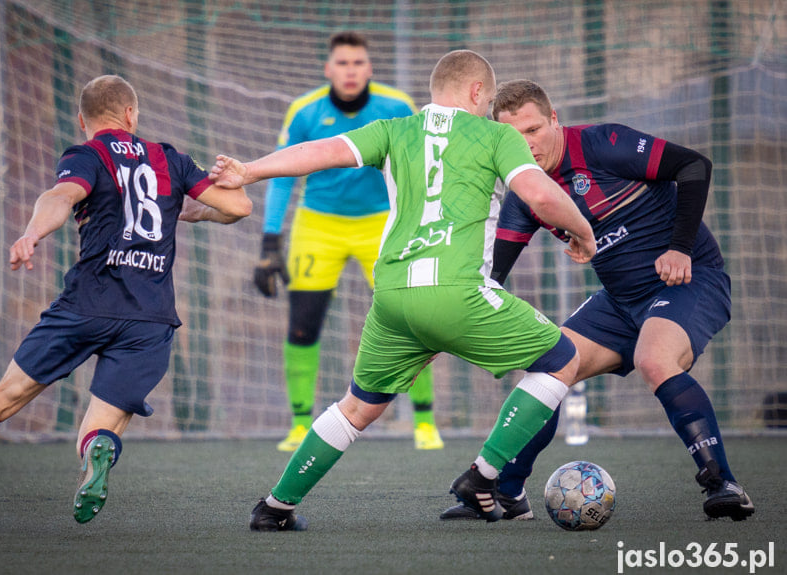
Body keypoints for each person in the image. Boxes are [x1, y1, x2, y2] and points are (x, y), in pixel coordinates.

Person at [211, 50, 597, 531]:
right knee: (562, 359)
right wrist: (584, 231)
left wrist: (247, 170)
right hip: (460, 293)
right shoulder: (496, 134)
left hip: (391, 298)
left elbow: (317, 152)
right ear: (478, 92)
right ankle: (483, 476)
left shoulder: (396, 129)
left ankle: (275, 507)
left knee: (356, 407)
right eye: (487, 97)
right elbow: (539, 194)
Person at [0, 75, 252, 523]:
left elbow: (62, 195)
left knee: (5, 396)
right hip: (149, 320)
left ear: (83, 120)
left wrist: (31, 233)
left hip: (85, 305)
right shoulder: (169, 158)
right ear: (132, 115)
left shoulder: (87, 154)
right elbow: (237, 208)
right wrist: (225, 188)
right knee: (101, 426)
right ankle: (98, 450)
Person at [440, 79, 754, 522]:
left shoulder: (603, 144)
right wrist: (444, 316)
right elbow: (491, 273)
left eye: (533, 130)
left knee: (654, 359)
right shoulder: (525, 193)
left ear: (554, 120)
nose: (526, 145)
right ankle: (507, 494)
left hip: (689, 280)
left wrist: (680, 247)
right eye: (513, 137)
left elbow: (695, 166)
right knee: (549, 368)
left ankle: (723, 483)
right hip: (620, 302)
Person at [256, 31, 444, 452]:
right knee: (303, 323)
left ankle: (425, 422)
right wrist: (270, 240)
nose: (350, 71)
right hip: (317, 224)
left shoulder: (397, 107)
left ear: (369, 69)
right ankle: (301, 424)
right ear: (328, 69)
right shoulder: (305, 111)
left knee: (413, 318)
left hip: (382, 223)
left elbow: (426, 163)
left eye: (358, 63)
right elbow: (283, 175)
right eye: (342, 63)